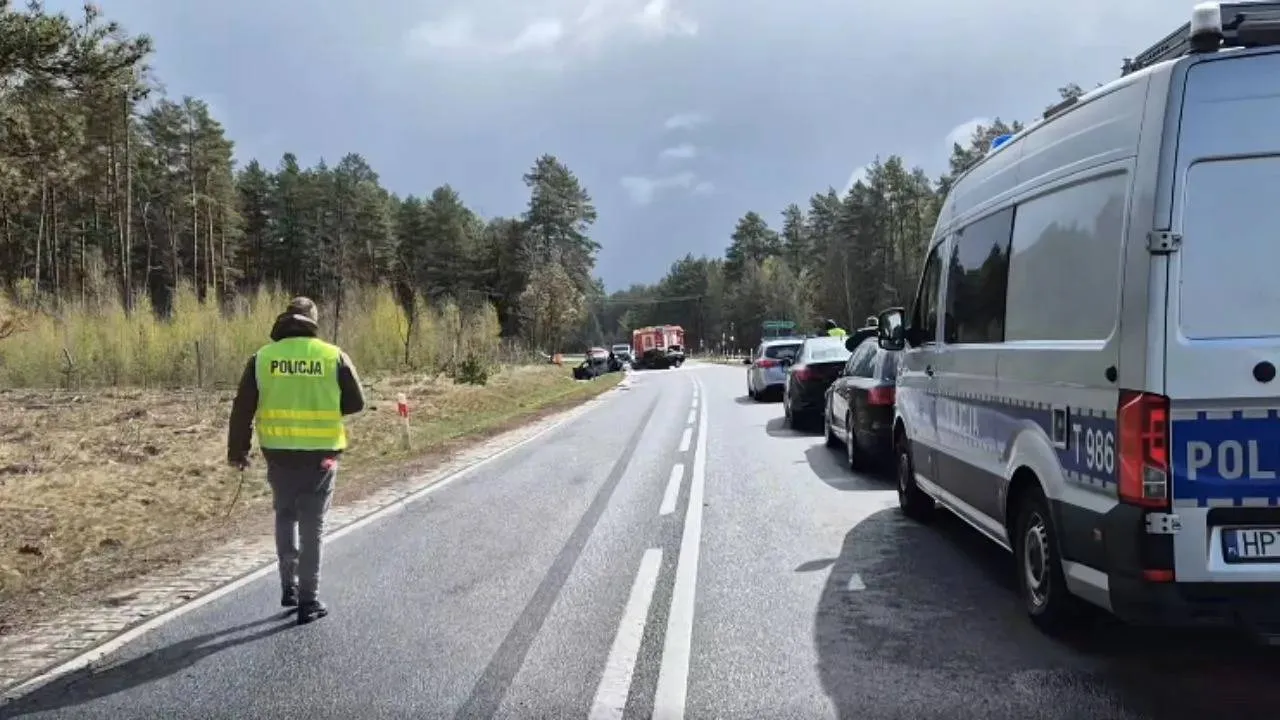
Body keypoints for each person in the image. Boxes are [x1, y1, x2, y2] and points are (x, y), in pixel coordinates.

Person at [227, 297, 365, 625]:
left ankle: (288, 587)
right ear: (313, 321)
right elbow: (357, 402)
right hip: (322, 457)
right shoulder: (333, 356)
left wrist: (238, 451)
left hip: (278, 454)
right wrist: (327, 408)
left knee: (285, 516)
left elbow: (242, 408)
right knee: (312, 526)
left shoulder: (262, 358)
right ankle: (308, 600)